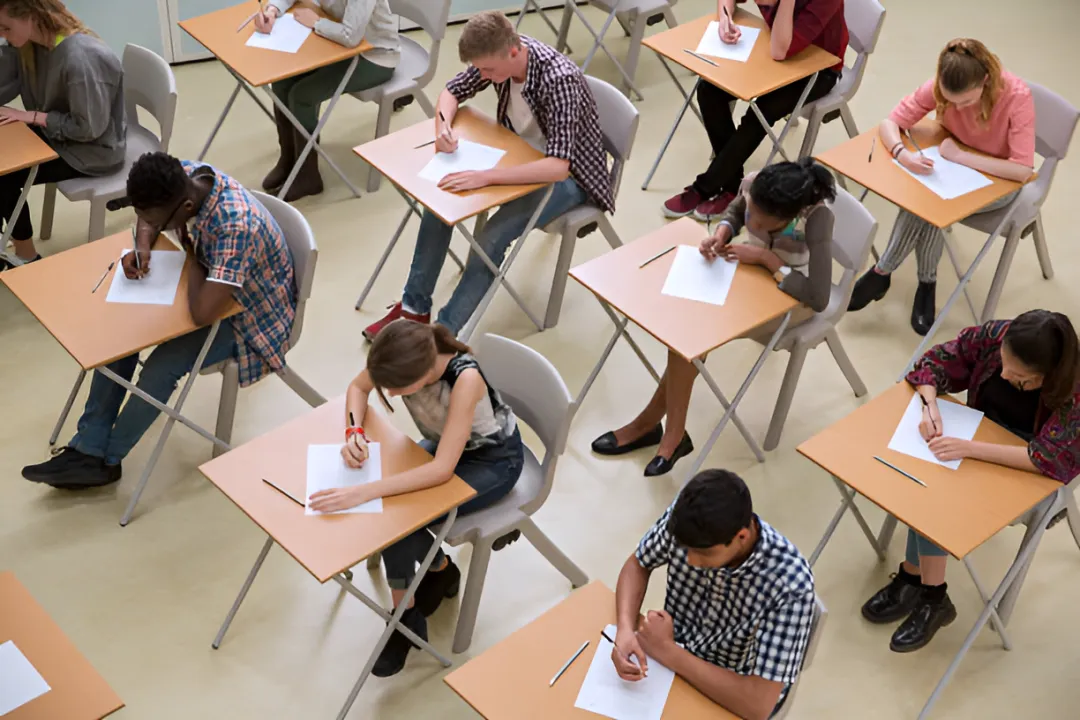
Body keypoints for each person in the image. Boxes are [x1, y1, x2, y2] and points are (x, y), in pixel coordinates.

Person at [22, 152, 297, 488]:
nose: (149, 222)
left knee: (162, 366)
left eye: (156, 220)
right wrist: (143, 245)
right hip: (211, 285)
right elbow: (149, 220)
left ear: (184, 210)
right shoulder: (183, 176)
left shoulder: (235, 226)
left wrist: (193, 254)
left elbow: (203, 313)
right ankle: (88, 447)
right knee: (121, 333)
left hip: (252, 317)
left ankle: (107, 460)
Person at [361, 10, 613, 340]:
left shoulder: (558, 80)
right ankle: (414, 309)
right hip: (515, 156)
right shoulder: (496, 60)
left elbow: (558, 166)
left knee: (492, 236)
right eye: (479, 69)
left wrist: (486, 177)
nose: (483, 76)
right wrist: (443, 127)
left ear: (513, 50)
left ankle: (443, 335)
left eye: (488, 70)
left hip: (572, 179)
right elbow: (451, 93)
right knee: (439, 201)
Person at [593, 159, 836, 476]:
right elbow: (736, 211)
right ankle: (666, 432)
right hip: (747, 279)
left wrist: (767, 258)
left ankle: (656, 428)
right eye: (754, 215)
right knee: (688, 331)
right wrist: (723, 232)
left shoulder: (816, 219)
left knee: (692, 335)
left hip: (791, 297)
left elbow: (819, 297)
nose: (753, 223)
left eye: (761, 224)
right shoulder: (754, 185)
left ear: (787, 218)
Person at [309, 320, 524, 676]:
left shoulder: (464, 380)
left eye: (398, 388)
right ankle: (437, 572)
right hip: (448, 448)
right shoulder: (403, 354)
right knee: (391, 511)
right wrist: (353, 432)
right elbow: (357, 388)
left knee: (397, 521)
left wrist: (363, 490)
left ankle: (405, 618)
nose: (391, 394)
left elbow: (441, 470)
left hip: (494, 461)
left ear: (425, 373)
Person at [862, 310, 1080, 652]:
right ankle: (923, 587)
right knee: (922, 480)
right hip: (976, 436)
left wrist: (969, 448)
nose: (1004, 374)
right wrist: (929, 403)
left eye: (1020, 378)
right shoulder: (997, 336)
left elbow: (1048, 459)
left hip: (1024, 466)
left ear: (1047, 376)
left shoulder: (1074, 391)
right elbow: (935, 361)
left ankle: (923, 587)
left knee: (933, 494)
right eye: (1003, 365)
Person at [847, 38, 1036, 335]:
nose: (956, 108)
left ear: (985, 81)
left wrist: (962, 157)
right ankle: (926, 283)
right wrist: (903, 155)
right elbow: (890, 123)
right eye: (950, 101)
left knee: (932, 203)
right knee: (929, 198)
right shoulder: (941, 85)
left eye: (966, 102)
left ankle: (882, 271)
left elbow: (1023, 171)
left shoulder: (1016, 96)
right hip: (951, 165)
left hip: (996, 181)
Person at [613, 469, 815, 720]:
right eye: (685, 549)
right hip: (669, 667)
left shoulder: (791, 585)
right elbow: (637, 564)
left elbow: (757, 704)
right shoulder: (687, 520)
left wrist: (668, 650)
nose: (691, 561)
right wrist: (623, 628)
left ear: (741, 536)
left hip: (726, 692)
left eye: (704, 554)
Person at [662, 0, 847, 223]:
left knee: (761, 111)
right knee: (709, 90)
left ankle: (703, 187)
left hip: (820, 68)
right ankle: (732, 184)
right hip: (773, 52)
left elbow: (780, 50)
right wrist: (724, 19)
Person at [0, 0, 125, 268]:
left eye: (6, 28)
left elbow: (90, 129)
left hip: (92, 150)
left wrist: (32, 116)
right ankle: (13, 237)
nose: (2, 35)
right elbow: (6, 81)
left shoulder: (81, 58)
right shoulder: (31, 45)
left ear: (31, 17)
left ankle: (26, 257)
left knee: (4, 176)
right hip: (60, 134)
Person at [256, 0, 399, 202]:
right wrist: (272, 10)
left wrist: (316, 23)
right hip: (335, 47)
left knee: (302, 95)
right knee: (281, 83)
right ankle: (289, 158)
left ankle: (308, 174)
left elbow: (351, 36)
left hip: (375, 57)